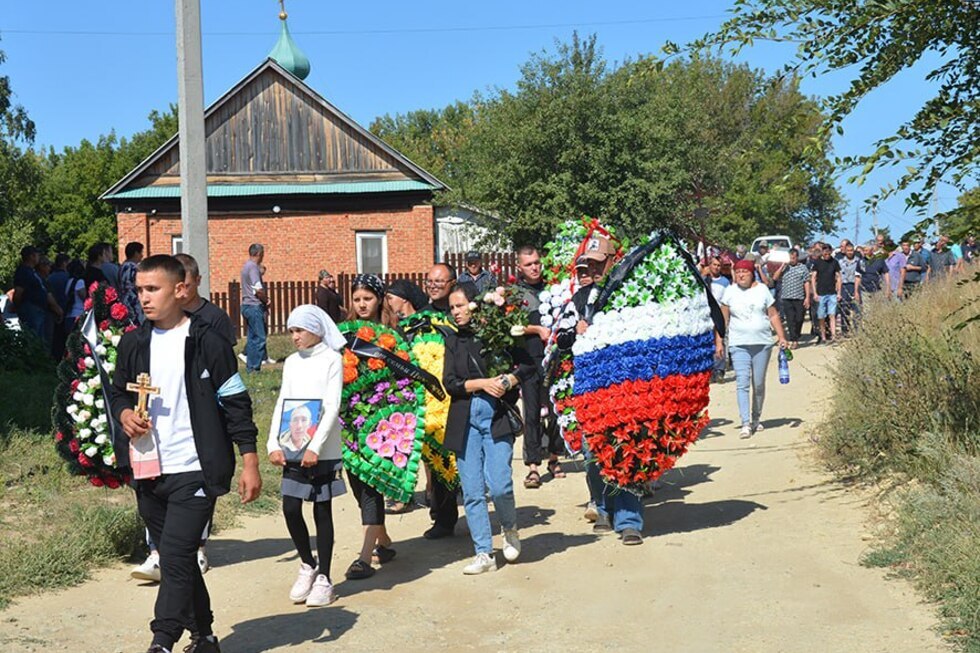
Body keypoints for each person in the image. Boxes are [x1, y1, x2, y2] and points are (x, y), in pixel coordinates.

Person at [109, 254, 261, 653]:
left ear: (180, 290)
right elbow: (118, 391)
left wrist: (249, 460)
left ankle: (161, 641)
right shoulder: (133, 342)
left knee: (173, 555)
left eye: (152, 289)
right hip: (148, 468)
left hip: (194, 468)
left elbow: (236, 403)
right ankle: (205, 637)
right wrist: (125, 413)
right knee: (178, 562)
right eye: (139, 290)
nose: (143, 298)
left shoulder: (207, 342)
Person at [443, 282, 529, 574]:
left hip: (496, 418)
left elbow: (528, 367)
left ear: (475, 304)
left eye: (460, 305)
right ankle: (484, 553)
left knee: (501, 485)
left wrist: (508, 381)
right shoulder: (453, 341)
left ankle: (510, 528)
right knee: (472, 491)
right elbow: (450, 383)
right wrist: (482, 384)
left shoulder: (498, 333)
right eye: (452, 307)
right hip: (464, 420)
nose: (456, 312)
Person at [268, 305, 346, 607]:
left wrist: (316, 446)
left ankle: (325, 576)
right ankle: (307, 563)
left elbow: (332, 404)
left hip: (320, 448)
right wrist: (273, 442)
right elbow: (281, 402)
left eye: (299, 330)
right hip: (292, 443)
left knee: (321, 510)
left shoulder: (331, 359)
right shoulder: (291, 363)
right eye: (291, 331)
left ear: (315, 329)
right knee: (290, 507)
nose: (294, 337)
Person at [340, 274, 399, 580]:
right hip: (350, 419)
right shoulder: (345, 335)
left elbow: (403, 376)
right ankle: (383, 540)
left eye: (368, 298)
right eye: (357, 299)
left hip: (382, 420)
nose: (362, 304)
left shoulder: (391, 335)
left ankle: (365, 556)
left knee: (372, 484)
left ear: (379, 300)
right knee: (358, 483)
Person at [512, 244, 565, 489]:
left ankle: (554, 458)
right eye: (529, 264)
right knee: (531, 413)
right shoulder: (514, 294)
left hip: (553, 358)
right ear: (519, 267)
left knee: (556, 410)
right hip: (528, 359)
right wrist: (535, 329)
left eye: (537, 263)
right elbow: (511, 328)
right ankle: (533, 466)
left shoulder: (553, 289)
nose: (534, 267)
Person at [721, 259, 789, 438]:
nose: (741, 274)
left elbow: (773, 315)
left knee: (758, 384)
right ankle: (745, 422)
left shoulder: (762, 290)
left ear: (752, 273)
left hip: (762, 343)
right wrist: (719, 342)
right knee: (742, 382)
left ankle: (756, 418)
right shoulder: (730, 292)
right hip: (739, 344)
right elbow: (723, 320)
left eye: (745, 271)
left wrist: (782, 337)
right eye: (738, 271)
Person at [419, 262, 462, 540]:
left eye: (440, 281)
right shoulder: (420, 317)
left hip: (460, 392)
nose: (433, 286)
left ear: (452, 283)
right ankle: (443, 519)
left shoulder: (461, 312)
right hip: (432, 399)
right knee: (437, 458)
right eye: (430, 281)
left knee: (463, 458)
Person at [175, 254, 237, 346]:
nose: (182, 292)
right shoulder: (163, 316)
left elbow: (224, 357)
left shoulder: (217, 317)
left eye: (186, 286)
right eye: (177, 287)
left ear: (198, 280)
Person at [13, 246, 62, 343]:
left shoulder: (32, 271)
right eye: (37, 255)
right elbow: (18, 292)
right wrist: (19, 307)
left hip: (39, 309)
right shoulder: (23, 271)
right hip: (31, 309)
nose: (38, 257)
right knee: (34, 339)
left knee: (41, 340)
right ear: (32, 256)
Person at [772, 248, 810, 349]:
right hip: (786, 298)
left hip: (799, 297)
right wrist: (782, 266)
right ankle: (794, 340)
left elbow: (806, 282)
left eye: (793, 258)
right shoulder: (785, 268)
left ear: (797, 257)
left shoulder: (803, 268)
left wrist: (807, 298)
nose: (792, 260)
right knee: (790, 319)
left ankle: (797, 334)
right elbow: (775, 278)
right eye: (790, 258)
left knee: (799, 319)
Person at [240, 244, 268, 372]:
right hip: (254, 305)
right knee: (260, 338)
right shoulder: (253, 268)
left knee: (252, 338)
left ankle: (250, 367)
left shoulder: (245, 266)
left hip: (246, 305)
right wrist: (266, 300)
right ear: (259, 253)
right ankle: (254, 367)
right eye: (262, 253)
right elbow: (258, 289)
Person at [703, 256, 731, 380]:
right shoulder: (704, 279)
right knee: (708, 341)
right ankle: (709, 368)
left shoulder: (725, 281)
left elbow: (727, 299)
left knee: (720, 340)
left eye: (718, 265)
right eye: (714, 265)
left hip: (720, 313)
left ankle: (719, 369)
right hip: (706, 314)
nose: (716, 267)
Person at [809, 245, 841, 344]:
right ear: (822, 252)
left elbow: (839, 277)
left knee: (832, 315)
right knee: (821, 316)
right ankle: (823, 337)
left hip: (832, 293)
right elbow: (813, 278)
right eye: (825, 253)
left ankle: (834, 336)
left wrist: (839, 292)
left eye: (828, 253)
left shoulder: (835, 262)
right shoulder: (817, 263)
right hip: (821, 293)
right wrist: (814, 293)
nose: (827, 255)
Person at [47, 253, 71, 358]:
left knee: (54, 339)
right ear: (64, 263)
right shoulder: (68, 277)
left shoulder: (49, 278)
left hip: (52, 312)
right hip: (66, 311)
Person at [837, 243, 864, 334]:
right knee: (844, 309)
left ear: (854, 251)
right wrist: (839, 292)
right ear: (845, 251)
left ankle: (858, 330)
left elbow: (859, 276)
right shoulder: (840, 262)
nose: (849, 252)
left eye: (851, 250)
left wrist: (856, 291)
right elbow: (839, 278)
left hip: (855, 285)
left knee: (857, 309)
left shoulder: (859, 261)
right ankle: (845, 330)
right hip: (844, 286)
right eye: (848, 250)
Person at [120, 242, 145, 324]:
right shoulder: (131, 267)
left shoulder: (123, 266)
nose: (142, 255)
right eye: (141, 252)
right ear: (135, 253)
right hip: (133, 301)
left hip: (125, 299)